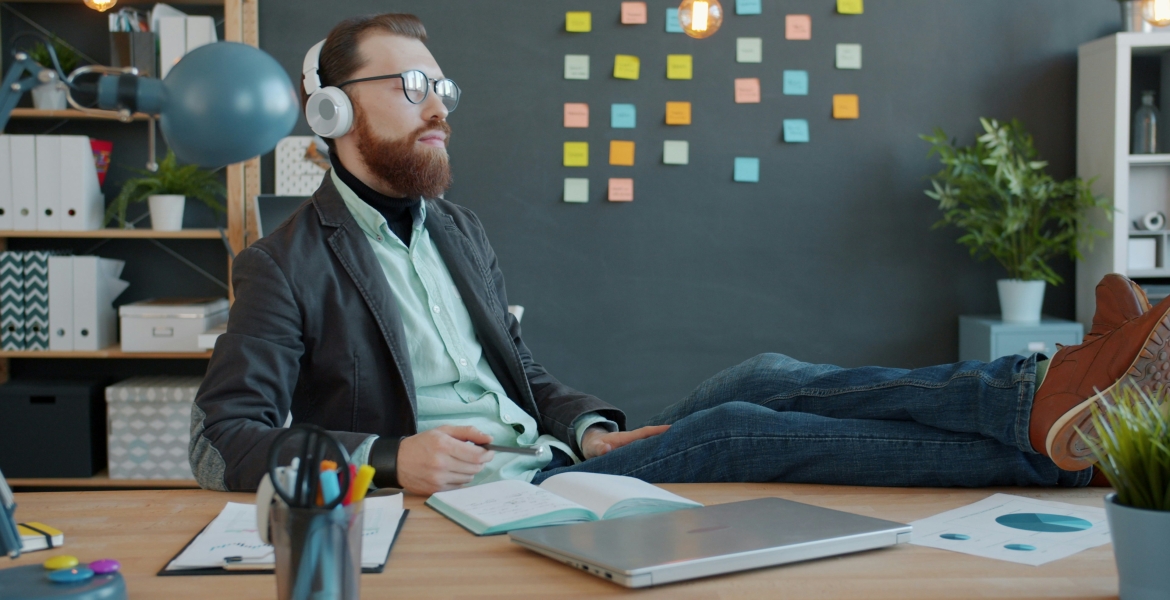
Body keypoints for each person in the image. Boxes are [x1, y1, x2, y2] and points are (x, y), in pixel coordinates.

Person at [190, 13, 1159, 494]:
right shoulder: (285, 263)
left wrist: (593, 428)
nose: (439, 104)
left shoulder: (457, 231)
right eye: (409, 84)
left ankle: (1044, 403)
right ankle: (1056, 439)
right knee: (735, 426)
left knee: (763, 372)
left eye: (440, 82)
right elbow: (219, 444)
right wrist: (391, 458)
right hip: (496, 499)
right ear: (329, 109)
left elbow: (522, 375)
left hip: (557, 462)